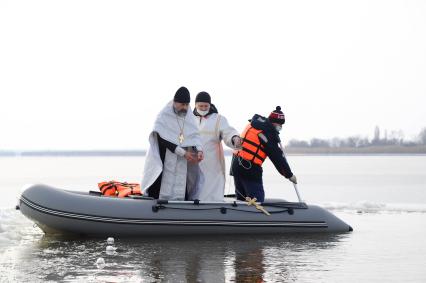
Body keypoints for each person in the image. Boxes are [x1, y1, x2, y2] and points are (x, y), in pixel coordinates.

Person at [141, 87, 204, 200]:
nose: (185, 108)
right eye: (182, 104)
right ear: (175, 102)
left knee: (180, 185)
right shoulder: (164, 115)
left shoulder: (189, 116)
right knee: (160, 187)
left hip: (182, 161)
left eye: (187, 105)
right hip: (165, 157)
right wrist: (182, 152)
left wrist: (199, 150)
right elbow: (161, 138)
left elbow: (195, 135)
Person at [231, 106, 297, 203]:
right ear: (273, 122)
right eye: (279, 125)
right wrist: (289, 175)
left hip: (236, 165)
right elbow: (277, 157)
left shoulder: (253, 124)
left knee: (242, 199)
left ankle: (240, 216)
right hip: (250, 169)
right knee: (257, 199)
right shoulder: (267, 133)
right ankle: (257, 216)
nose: (280, 127)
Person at [189, 91, 242, 201]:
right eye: (200, 106)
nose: (203, 108)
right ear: (195, 105)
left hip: (212, 166)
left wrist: (234, 138)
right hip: (191, 164)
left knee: (210, 192)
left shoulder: (218, 119)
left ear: (210, 105)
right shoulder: (188, 119)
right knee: (192, 190)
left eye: (206, 106)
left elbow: (228, 132)